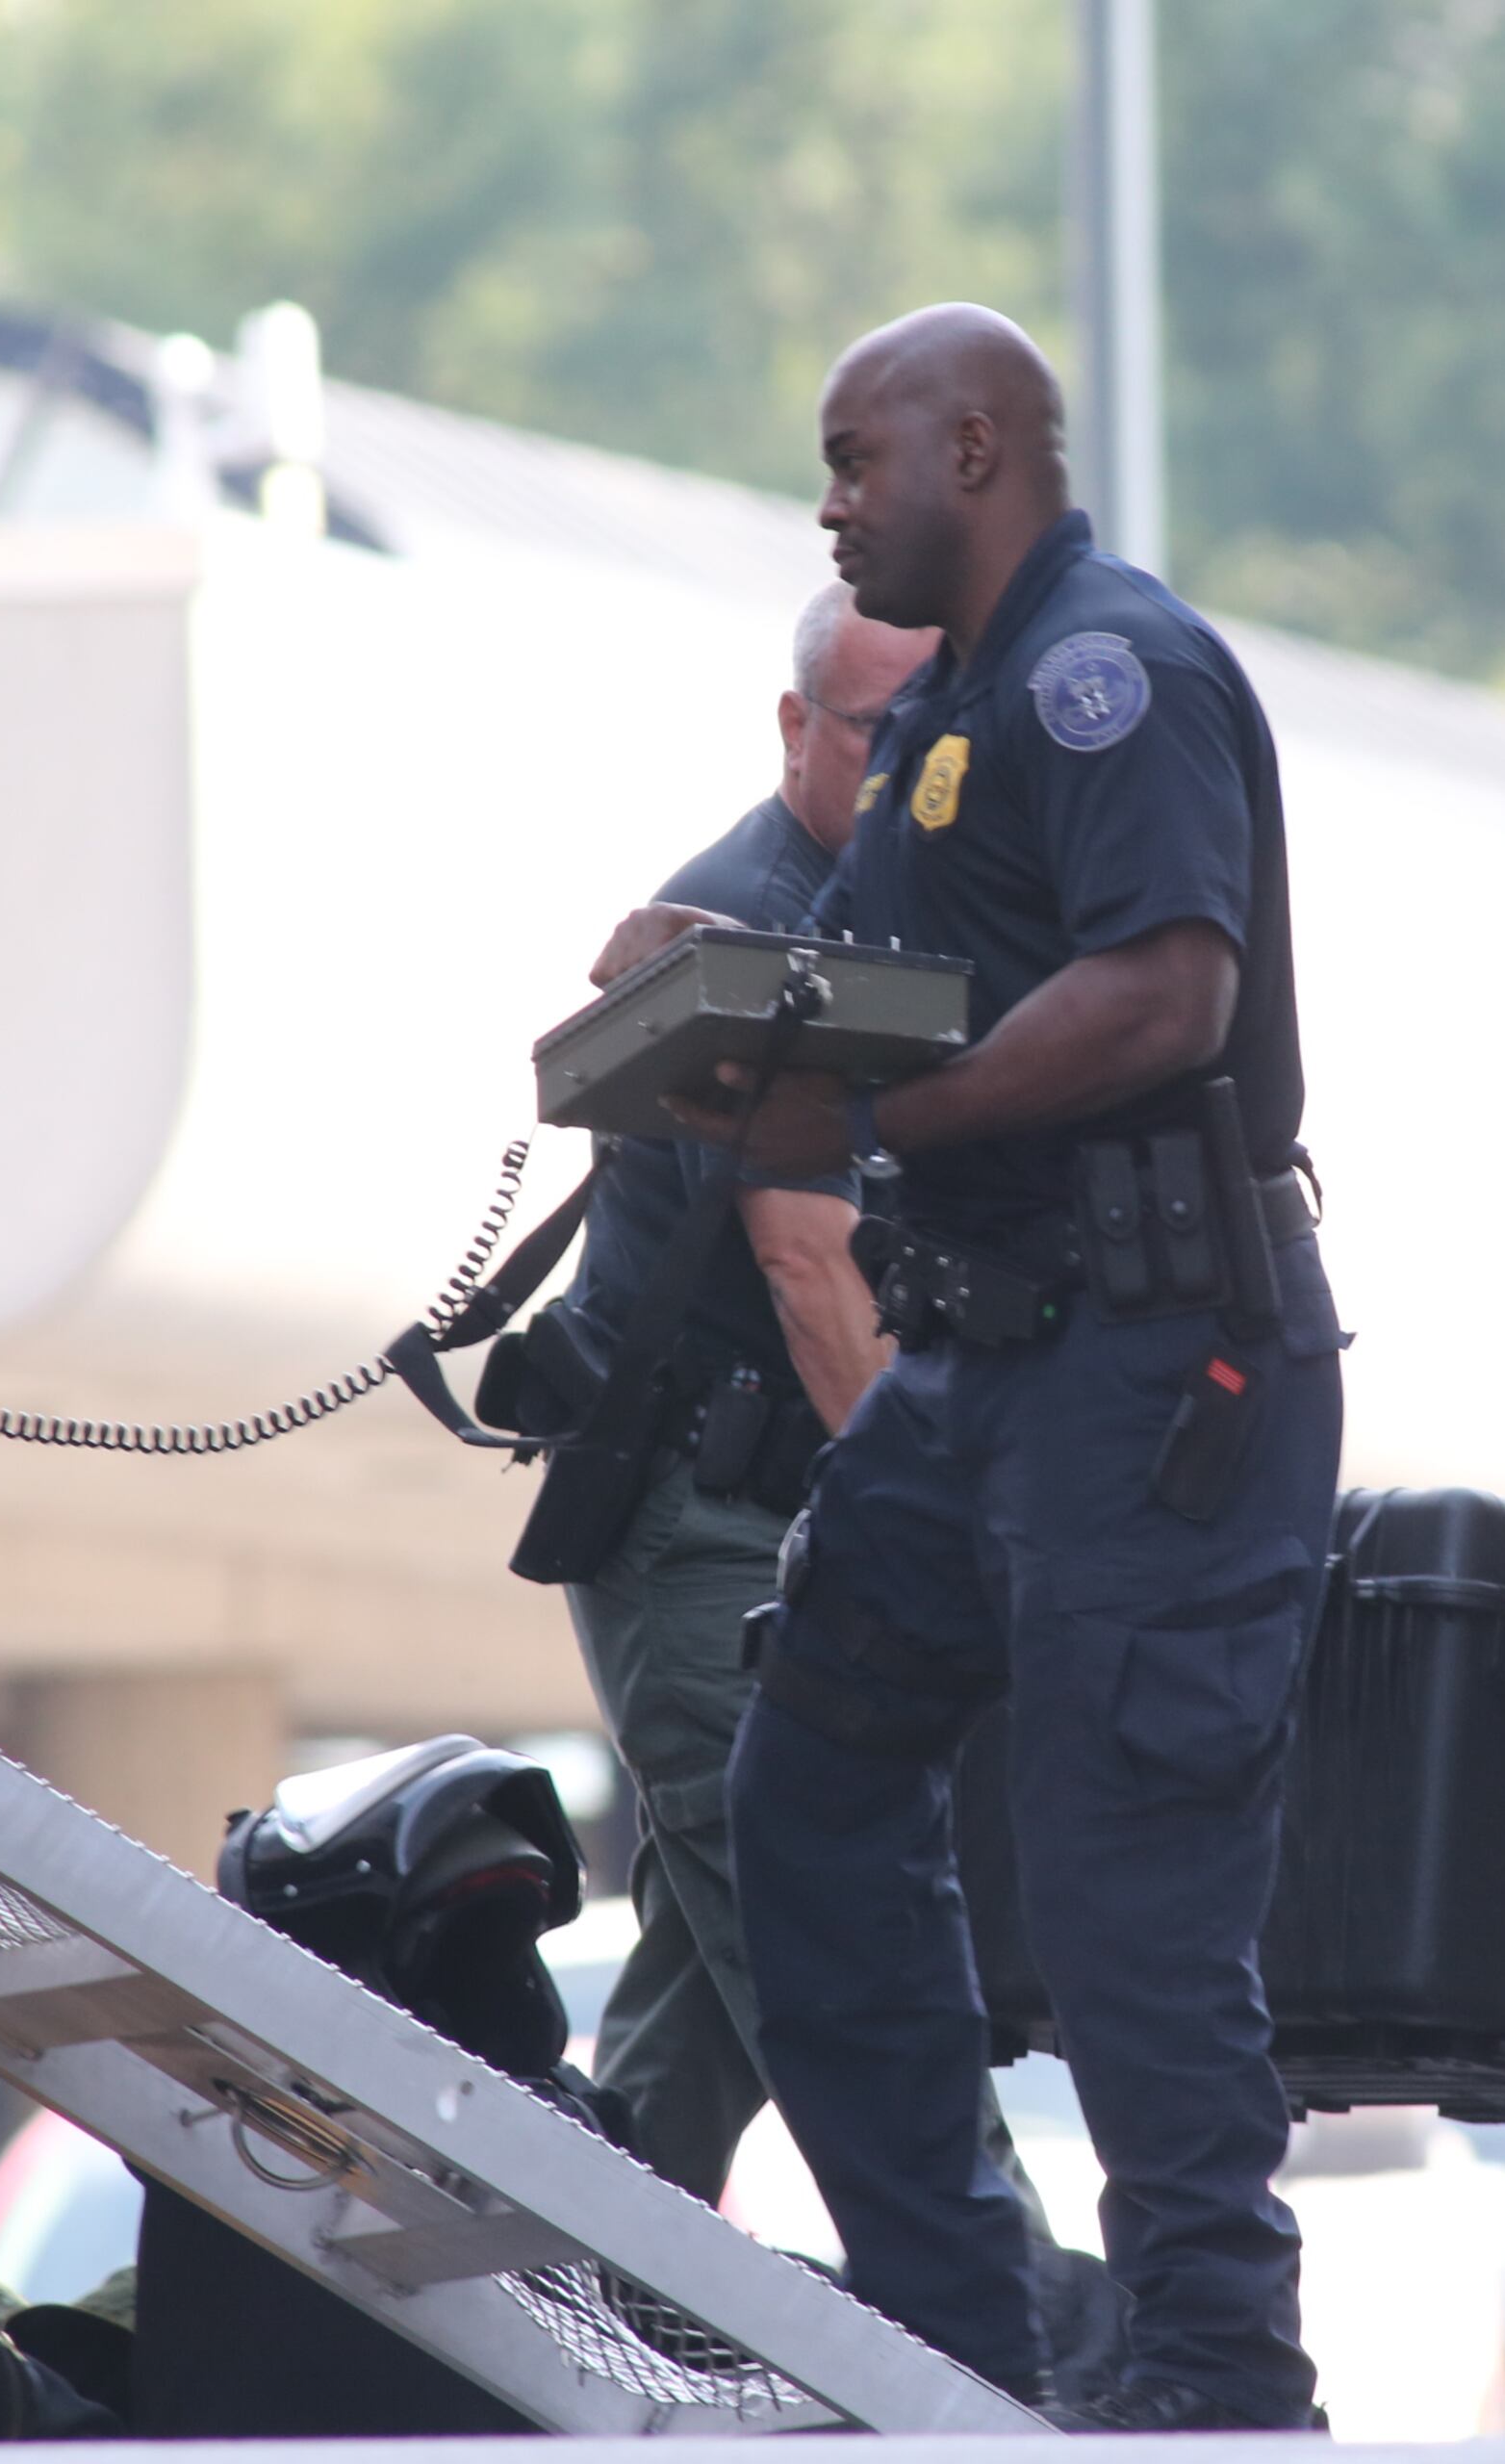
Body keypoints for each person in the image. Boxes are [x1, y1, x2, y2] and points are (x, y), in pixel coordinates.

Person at [613, 302, 1340, 2431]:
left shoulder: (1114, 673)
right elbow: (870, 973)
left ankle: (1222, 2391)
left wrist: (870, 1127)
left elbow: (1162, 992)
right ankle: (959, 2354)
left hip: (1156, 1359)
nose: (833, 503)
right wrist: (692, 964)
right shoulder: (948, 714)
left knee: (1135, 1916)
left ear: (977, 446)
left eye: (858, 459)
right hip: (979, 1371)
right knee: (808, 1791)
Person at [556, 583, 929, 2202]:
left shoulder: (894, 897)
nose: (913, 767)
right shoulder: (751, 922)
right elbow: (815, 1275)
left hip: (780, 1526)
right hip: (705, 1531)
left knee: (696, 2031)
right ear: (795, 729)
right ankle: (1037, 2361)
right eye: (875, 732)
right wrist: (949, 1519)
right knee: (853, 1988)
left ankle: (559, 2327)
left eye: (941, 735)